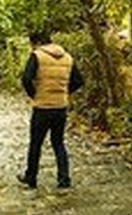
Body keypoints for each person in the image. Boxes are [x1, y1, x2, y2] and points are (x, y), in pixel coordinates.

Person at [17, 32, 83, 189]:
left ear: (37, 42)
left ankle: (31, 177)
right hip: (60, 107)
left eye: (32, 44)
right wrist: (64, 93)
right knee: (58, 142)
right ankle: (64, 179)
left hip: (42, 107)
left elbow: (26, 78)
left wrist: (34, 94)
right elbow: (79, 81)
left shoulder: (37, 55)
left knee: (36, 143)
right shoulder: (68, 57)